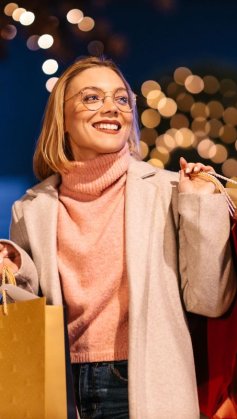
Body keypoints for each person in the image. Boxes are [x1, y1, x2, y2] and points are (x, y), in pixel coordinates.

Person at [0, 56, 236, 419]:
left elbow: (210, 300)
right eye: (92, 98)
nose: (112, 108)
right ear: (62, 118)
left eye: (122, 99)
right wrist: (13, 266)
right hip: (61, 389)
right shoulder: (31, 209)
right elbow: (31, 307)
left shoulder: (170, 190)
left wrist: (200, 207)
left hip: (147, 383)